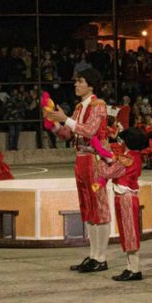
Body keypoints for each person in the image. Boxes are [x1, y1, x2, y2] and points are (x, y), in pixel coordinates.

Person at [46, 68, 112, 274]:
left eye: (80, 81)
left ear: (90, 85)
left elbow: (89, 131)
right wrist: (55, 124)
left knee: (99, 207)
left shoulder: (98, 105)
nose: (76, 84)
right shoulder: (79, 106)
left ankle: (101, 257)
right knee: (88, 208)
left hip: (94, 159)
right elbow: (69, 134)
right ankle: (94, 255)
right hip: (82, 159)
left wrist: (65, 119)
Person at [96, 127, 148, 282]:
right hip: (127, 197)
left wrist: (99, 160)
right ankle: (131, 267)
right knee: (128, 232)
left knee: (129, 233)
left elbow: (109, 173)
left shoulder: (128, 158)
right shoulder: (133, 156)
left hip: (125, 197)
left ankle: (134, 268)